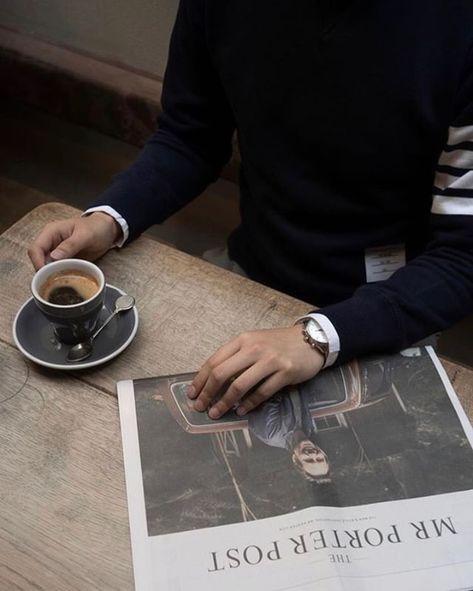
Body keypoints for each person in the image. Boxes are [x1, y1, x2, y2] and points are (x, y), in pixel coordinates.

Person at [28, 1, 473, 419]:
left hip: (391, 308)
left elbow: (463, 256)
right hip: (252, 271)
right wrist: (110, 218)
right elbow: (191, 135)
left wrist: (318, 336)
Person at [247, 391, 331, 483]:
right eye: (319, 459)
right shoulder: (308, 428)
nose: (313, 454)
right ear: (324, 454)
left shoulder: (270, 434)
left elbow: (265, 393)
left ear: (295, 459)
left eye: (309, 460)